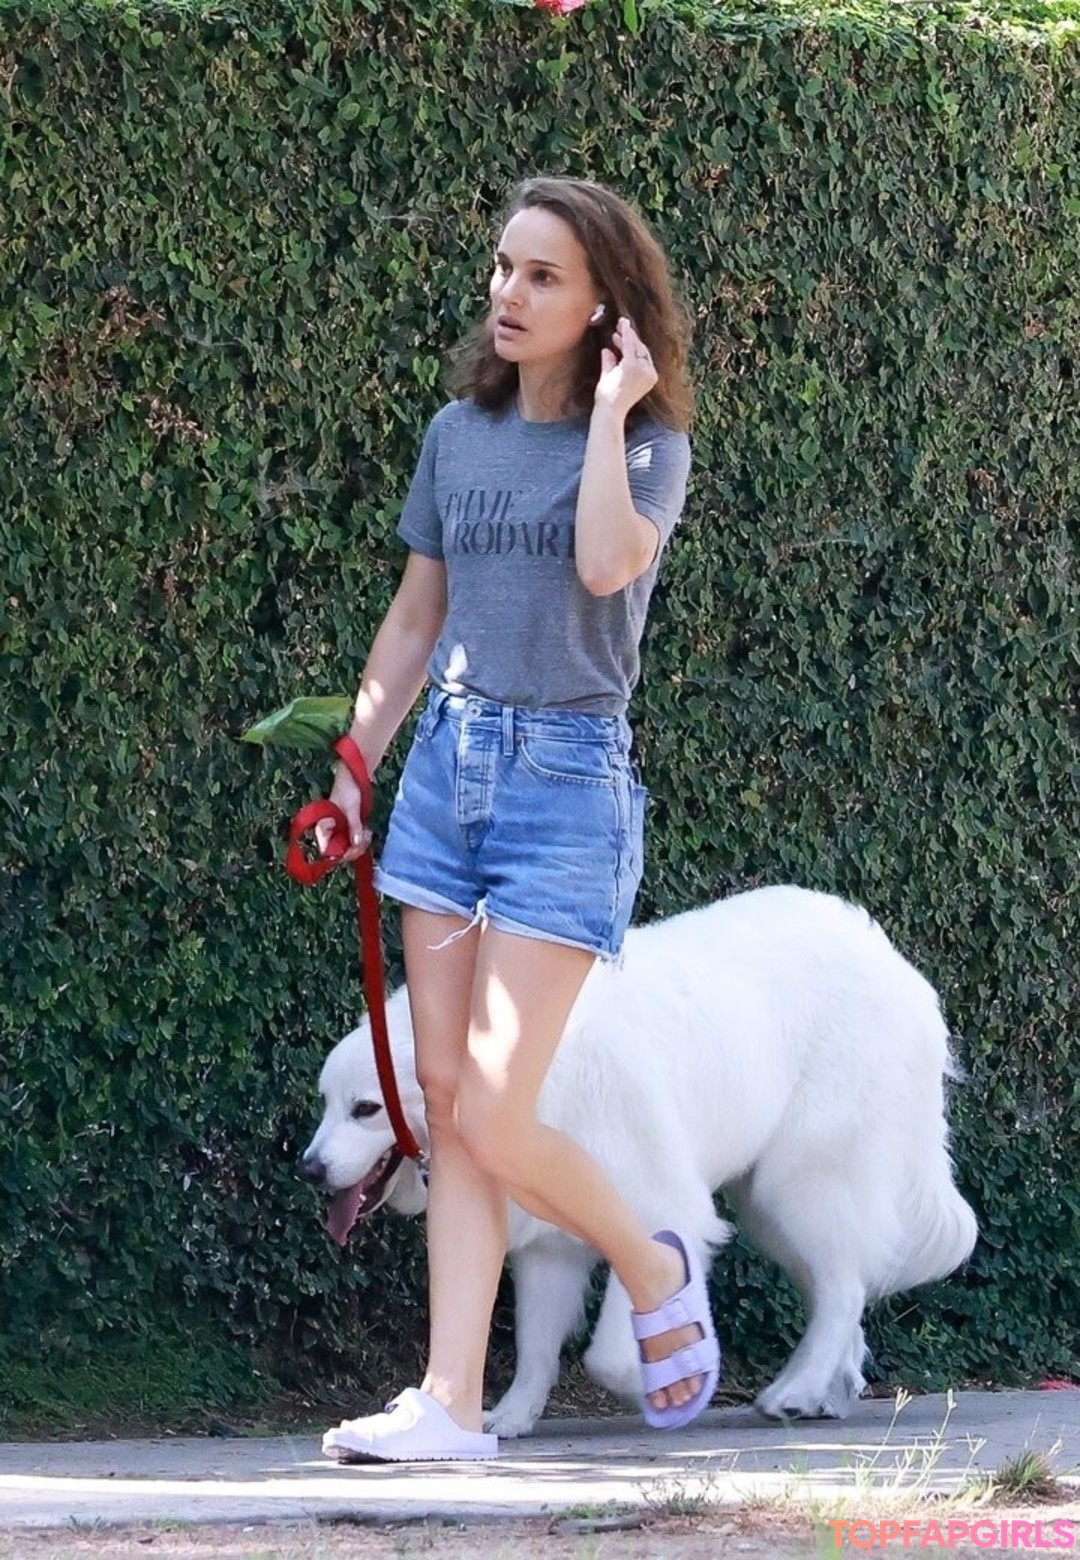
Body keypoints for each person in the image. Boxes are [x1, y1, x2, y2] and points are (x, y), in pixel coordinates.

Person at [318, 175, 719, 1464]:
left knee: (492, 1113)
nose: (508, 292)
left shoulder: (651, 448)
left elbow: (605, 564)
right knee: (445, 1104)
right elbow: (415, 616)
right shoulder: (459, 434)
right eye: (503, 267)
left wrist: (606, 413)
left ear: (606, 304)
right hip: (447, 775)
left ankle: (650, 1269)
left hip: (565, 788)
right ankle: (449, 1405)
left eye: (543, 276)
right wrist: (357, 762)